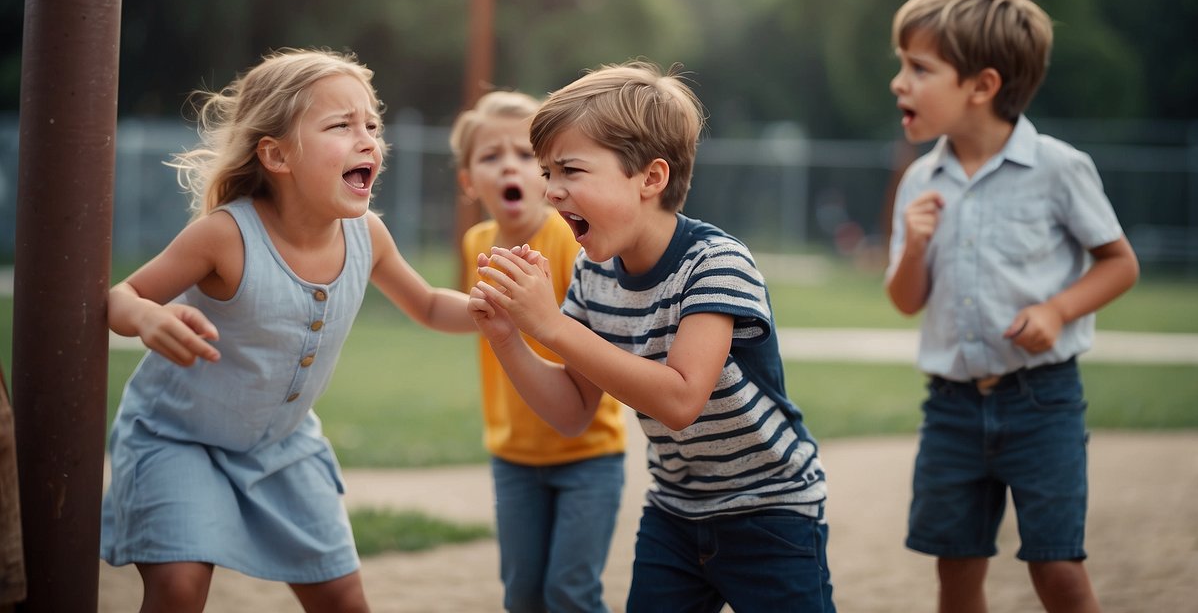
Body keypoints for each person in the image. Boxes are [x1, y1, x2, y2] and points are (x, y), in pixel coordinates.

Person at [101, 49, 478, 613]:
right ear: (276, 155)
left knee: (343, 598)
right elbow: (119, 298)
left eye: (371, 124)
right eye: (340, 125)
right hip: (178, 439)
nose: (368, 139)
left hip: (284, 447)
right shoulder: (226, 236)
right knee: (179, 587)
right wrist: (148, 317)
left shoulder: (367, 236)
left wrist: (506, 309)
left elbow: (426, 304)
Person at [467, 62, 835, 613]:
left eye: (569, 169)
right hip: (675, 513)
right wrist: (508, 338)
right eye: (547, 173)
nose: (550, 191)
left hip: (771, 511)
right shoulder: (594, 277)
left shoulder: (716, 263)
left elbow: (681, 399)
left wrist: (550, 325)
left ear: (651, 178)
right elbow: (572, 413)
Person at [884, 0, 1140, 613]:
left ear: (982, 86)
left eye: (919, 68)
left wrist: (1058, 309)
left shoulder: (1058, 169)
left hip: (1042, 404)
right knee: (957, 573)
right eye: (901, 66)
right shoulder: (920, 180)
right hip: (951, 408)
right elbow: (906, 300)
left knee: (1057, 568)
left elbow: (1119, 264)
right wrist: (914, 246)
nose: (899, 82)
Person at [450, 90, 628, 613]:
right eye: (490, 156)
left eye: (526, 155)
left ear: (548, 172)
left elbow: (588, 347)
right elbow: (477, 320)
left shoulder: (573, 243)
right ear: (468, 181)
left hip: (588, 457)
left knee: (570, 594)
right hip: (514, 456)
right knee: (523, 595)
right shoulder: (476, 243)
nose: (510, 166)